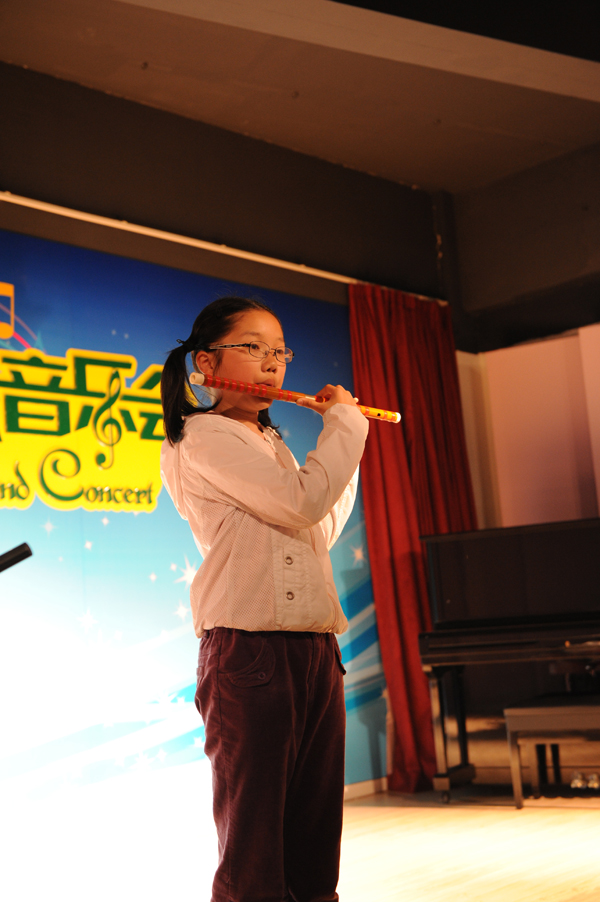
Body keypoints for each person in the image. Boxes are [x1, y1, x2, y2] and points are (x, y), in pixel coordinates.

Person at [160, 296, 368, 902]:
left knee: (314, 848)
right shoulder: (202, 436)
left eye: (279, 351)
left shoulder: (270, 441)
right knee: (254, 857)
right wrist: (345, 428)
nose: (272, 363)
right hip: (250, 653)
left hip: (315, 650)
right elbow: (300, 502)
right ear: (206, 362)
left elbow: (318, 526)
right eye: (253, 348)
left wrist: (346, 445)